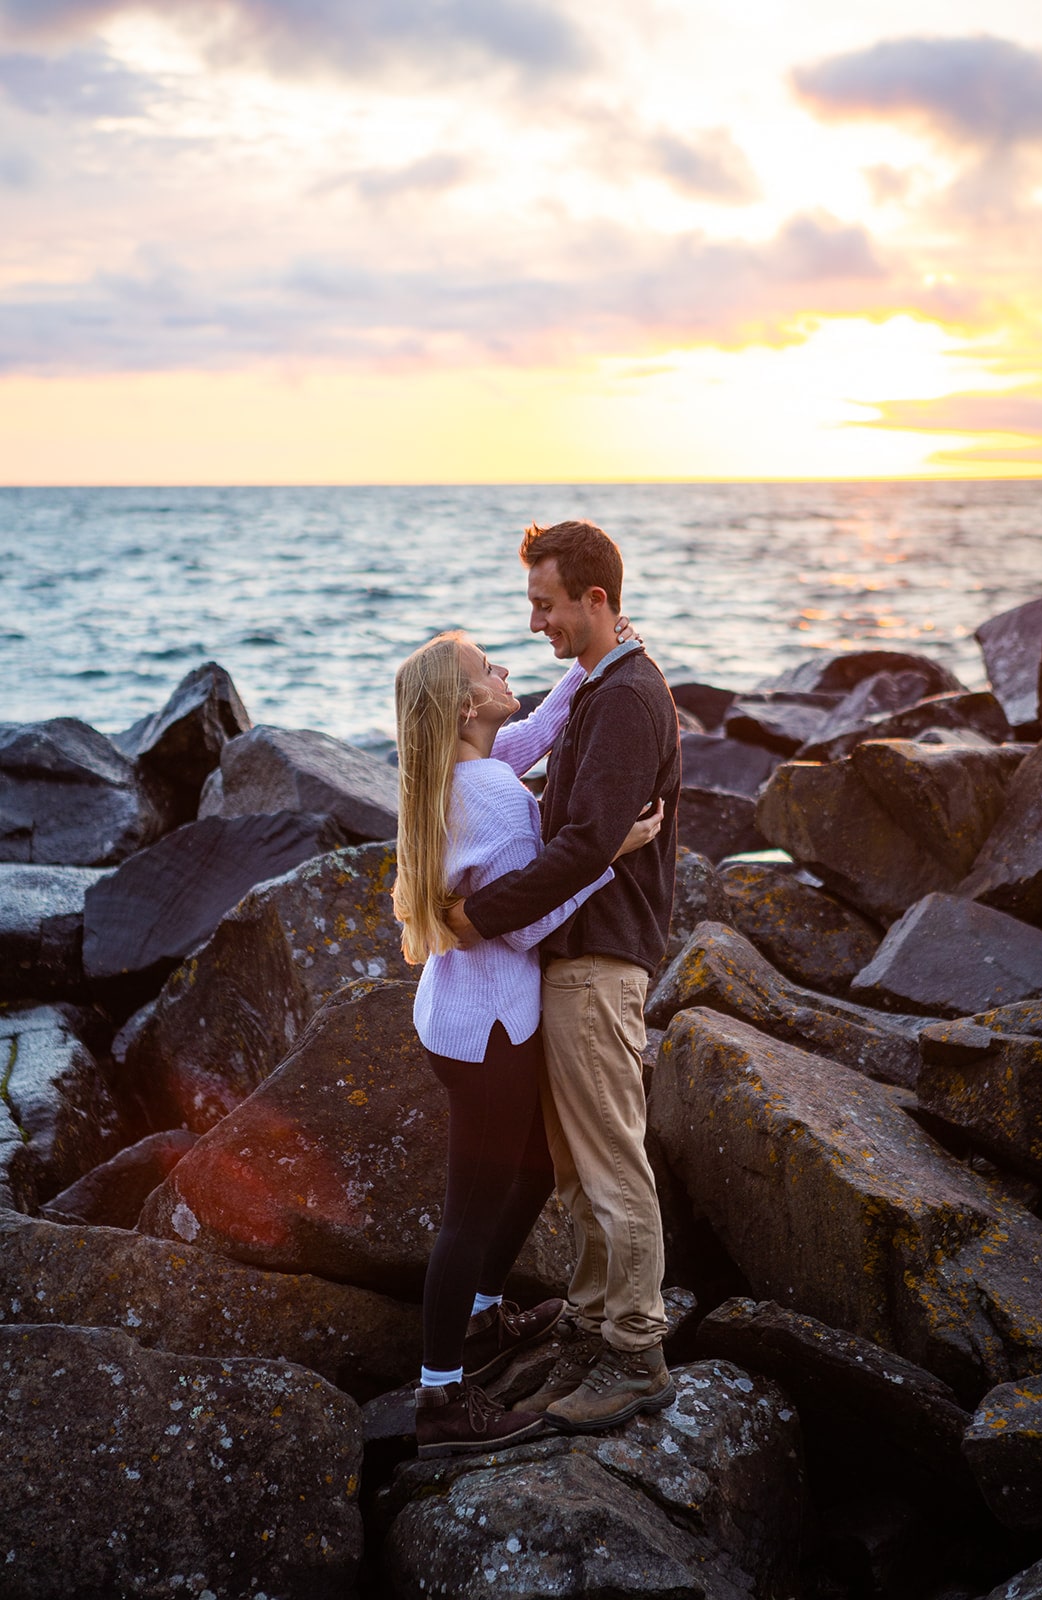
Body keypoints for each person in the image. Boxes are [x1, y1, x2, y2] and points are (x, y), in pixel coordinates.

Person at [392, 623, 661, 1459]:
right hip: (492, 1031)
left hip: (455, 1018)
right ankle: (440, 1394)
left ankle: (480, 1317)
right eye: (488, 668)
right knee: (465, 1216)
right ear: (470, 704)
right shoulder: (499, 798)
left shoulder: (458, 768)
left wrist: (598, 664)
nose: (506, 665)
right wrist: (608, 848)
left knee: (536, 1168)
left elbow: (536, 730)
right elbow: (522, 924)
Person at [446, 519, 681, 1433]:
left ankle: (635, 1353)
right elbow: (557, 810)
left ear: (594, 598)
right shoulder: (597, 686)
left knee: (610, 1162)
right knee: (577, 1172)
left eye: (545, 604)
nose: (536, 621)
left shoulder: (626, 697)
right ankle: (587, 1336)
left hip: (601, 957)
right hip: (569, 956)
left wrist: (472, 917)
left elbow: (585, 842)